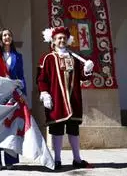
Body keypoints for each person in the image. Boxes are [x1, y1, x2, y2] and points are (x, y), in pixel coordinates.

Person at [37, 26, 94, 170]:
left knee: (73, 129)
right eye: (58, 38)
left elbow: (82, 77)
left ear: (67, 40)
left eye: (64, 38)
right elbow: (42, 79)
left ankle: (77, 159)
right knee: (57, 130)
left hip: (73, 99)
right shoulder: (48, 58)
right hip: (57, 99)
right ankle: (57, 160)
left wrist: (87, 69)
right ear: (53, 41)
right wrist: (44, 94)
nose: (61, 40)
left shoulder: (74, 58)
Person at [0, 28, 27, 170]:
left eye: (9, 35)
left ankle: (10, 160)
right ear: (0, 39)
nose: (7, 37)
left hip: (13, 94)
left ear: (12, 38)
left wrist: (23, 92)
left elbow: (21, 76)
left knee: (11, 127)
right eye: (4, 35)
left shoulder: (18, 57)